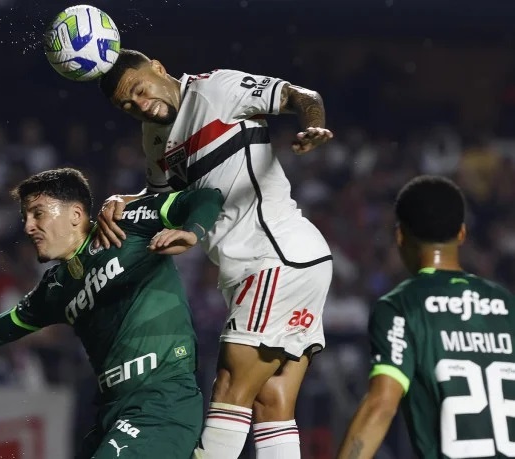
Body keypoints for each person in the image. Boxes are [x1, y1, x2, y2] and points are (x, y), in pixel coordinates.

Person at [0, 167, 225, 459]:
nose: (29, 226)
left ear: (76, 214)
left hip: (162, 402)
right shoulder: (55, 289)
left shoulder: (125, 223)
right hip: (113, 411)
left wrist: (192, 230)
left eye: (38, 213)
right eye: (26, 216)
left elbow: (205, 196)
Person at [95, 49, 334, 459]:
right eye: (126, 106)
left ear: (157, 67)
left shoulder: (216, 89)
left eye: (138, 90)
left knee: (228, 388)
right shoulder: (154, 137)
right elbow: (164, 200)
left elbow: (300, 95)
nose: (138, 105)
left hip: (274, 255)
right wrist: (122, 200)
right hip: (273, 265)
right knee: (271, 404)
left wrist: (313, 126)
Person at [337, 175, 515, 459]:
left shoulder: (401, 305)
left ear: (399, 235)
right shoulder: (506, 302)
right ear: (461, 234)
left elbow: (381, 405)